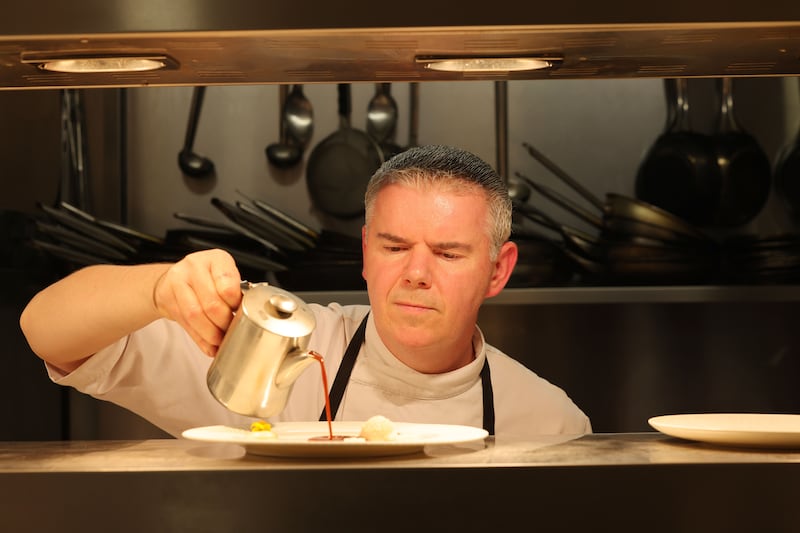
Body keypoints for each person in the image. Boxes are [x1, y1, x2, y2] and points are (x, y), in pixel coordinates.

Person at [20, 144, 590, 439]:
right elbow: (45, 330)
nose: (416, 273)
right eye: (394, 247)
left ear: (498, 269)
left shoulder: (549, 421)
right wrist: (160, 286)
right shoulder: (275, 352)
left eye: (447, 253)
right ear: (365, 252)